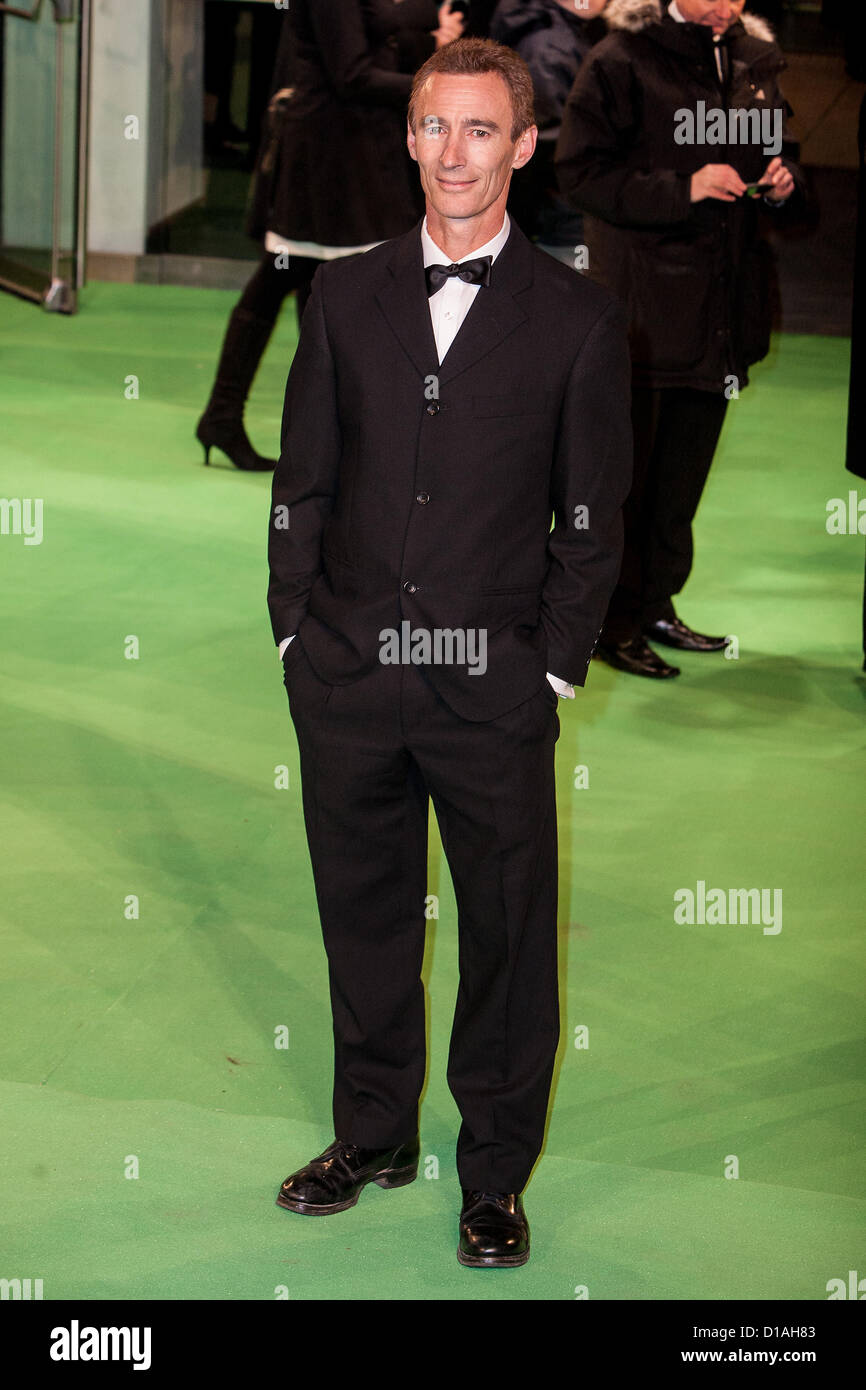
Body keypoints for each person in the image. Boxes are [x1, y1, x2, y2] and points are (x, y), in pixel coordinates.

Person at [267, 37, 632, 1267]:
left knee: (506, 936)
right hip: (350, 673)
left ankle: (494, 1175)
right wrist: (292, 631)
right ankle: (370, 1131)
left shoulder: (577, 320)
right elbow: (302, 483)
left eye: (482, 131)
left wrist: (553, 664)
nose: (454, 154)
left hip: (493, 687)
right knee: (363, 921)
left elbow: (591, 516)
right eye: (434, 126)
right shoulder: (341, 296)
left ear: (524, 148)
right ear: (407, 136)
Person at [556, 0, 804, 677]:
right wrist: (682, 188)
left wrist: (782, 183)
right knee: (627, 481)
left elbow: (780, 153)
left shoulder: (753, 59)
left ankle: (658, 603)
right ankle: (612, 620)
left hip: (724, 301)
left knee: (684, 472)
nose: (729, 6)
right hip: (644, 305)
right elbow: (579, 173)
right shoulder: (620, 58)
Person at [196, 0, 464, 472]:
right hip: (328, 157)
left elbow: (378, 36)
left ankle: (306, 434)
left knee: (310, 289)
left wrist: (427, 41)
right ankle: (241, 419)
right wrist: (439, 90)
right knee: (298, 282)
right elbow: (352, 74)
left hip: (351, 150)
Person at [490, 0, 609, 254]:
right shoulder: (549, 45)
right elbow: (546, 143)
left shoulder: (567, 33)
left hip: (565, 210)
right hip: (562, 215)